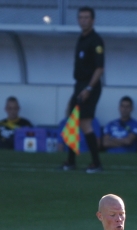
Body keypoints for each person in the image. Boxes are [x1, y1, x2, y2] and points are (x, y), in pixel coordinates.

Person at [60, 6, 105, 173]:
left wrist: (88, 88)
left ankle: (96, 163)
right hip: (79, 84)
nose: (83, 20)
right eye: (81, 17)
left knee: (85, 123)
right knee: (72, 121)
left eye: (87, 17)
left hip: (89, 85)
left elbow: (99, 68)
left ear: (92, 20)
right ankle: (71, 161)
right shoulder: (81, 38)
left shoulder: (96, 40)